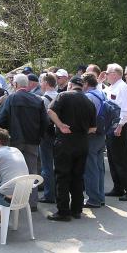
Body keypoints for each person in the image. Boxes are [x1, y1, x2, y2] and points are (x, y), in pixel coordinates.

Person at [47, 76, 97, 221]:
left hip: (65, 142)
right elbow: (93, 128)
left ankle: (63, 211)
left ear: (70, 85)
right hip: (82, 143)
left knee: (62, 176)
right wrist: (80, 131)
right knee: (78, 176)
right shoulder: (89, 102)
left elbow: (50, 111)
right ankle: (76, 209)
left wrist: (61, 125)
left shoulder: (63, 95)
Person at [0, 73, 48, 211]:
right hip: (32, 140)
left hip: (15, 140)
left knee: (14, 171)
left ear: (16, 85)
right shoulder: (37, 100)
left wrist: (5, 135)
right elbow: (45, 122)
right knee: (32, 171)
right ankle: (32, 203)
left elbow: (1, 119)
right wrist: (39, 136)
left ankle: (14, 200)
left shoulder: (11, 98)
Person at [103, 63, 127, 201]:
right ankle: (118, 187)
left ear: (116, 74)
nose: (106, 75)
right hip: (111, 126)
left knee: (121, 159)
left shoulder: (122, 87)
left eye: (108, 72)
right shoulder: (112, 86)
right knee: (112, 158)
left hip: (119, 127)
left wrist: (120, 125)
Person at [82, 72, 107, 208]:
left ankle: (94, 199)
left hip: (91, 135)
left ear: (86, 84)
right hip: (101, 133)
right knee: (99, 167)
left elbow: (85, 118)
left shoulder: (88, 97)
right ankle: (100, 197)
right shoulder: (102, 93)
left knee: (91, 168)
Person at [38, 72, 58, 204]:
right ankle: (58, 192)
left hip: (46, 135)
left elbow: (41, 120)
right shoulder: (61, 96)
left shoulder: (43, 100)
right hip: (60, 134)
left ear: (45, 83)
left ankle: (49, 194)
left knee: (47, 166)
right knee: (59, 165)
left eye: (41, 81)